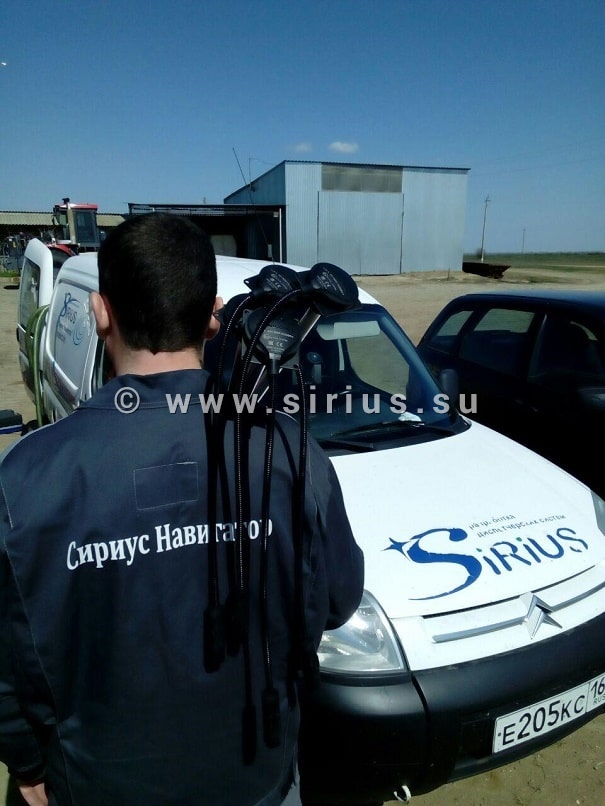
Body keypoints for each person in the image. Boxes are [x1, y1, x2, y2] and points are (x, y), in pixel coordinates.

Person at [0, 213, 364, 805]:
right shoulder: (290, 453)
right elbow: (338, 599)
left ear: (100, 313)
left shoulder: (26, 478)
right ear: (213, 315)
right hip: (258, 782)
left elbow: (9, 662)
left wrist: (26, 767)